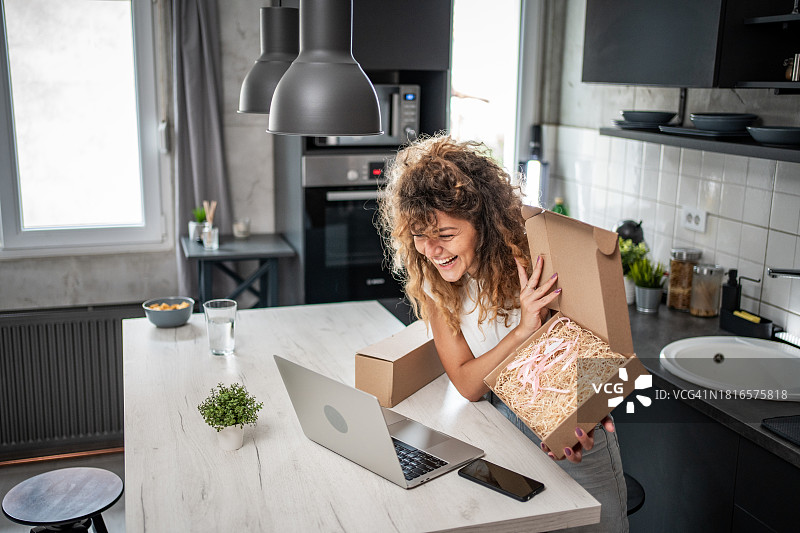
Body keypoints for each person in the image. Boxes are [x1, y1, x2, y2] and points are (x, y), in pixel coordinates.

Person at [378, 135, 628, 532]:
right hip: (498, 422)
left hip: (566, 417)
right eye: (420, 236)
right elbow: (466, 382)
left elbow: (595, 347)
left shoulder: (536, 253)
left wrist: (595, 409)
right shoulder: (433, 279)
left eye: (445, 234)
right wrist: (524, 330)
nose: (433, 250)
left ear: (481, 223)